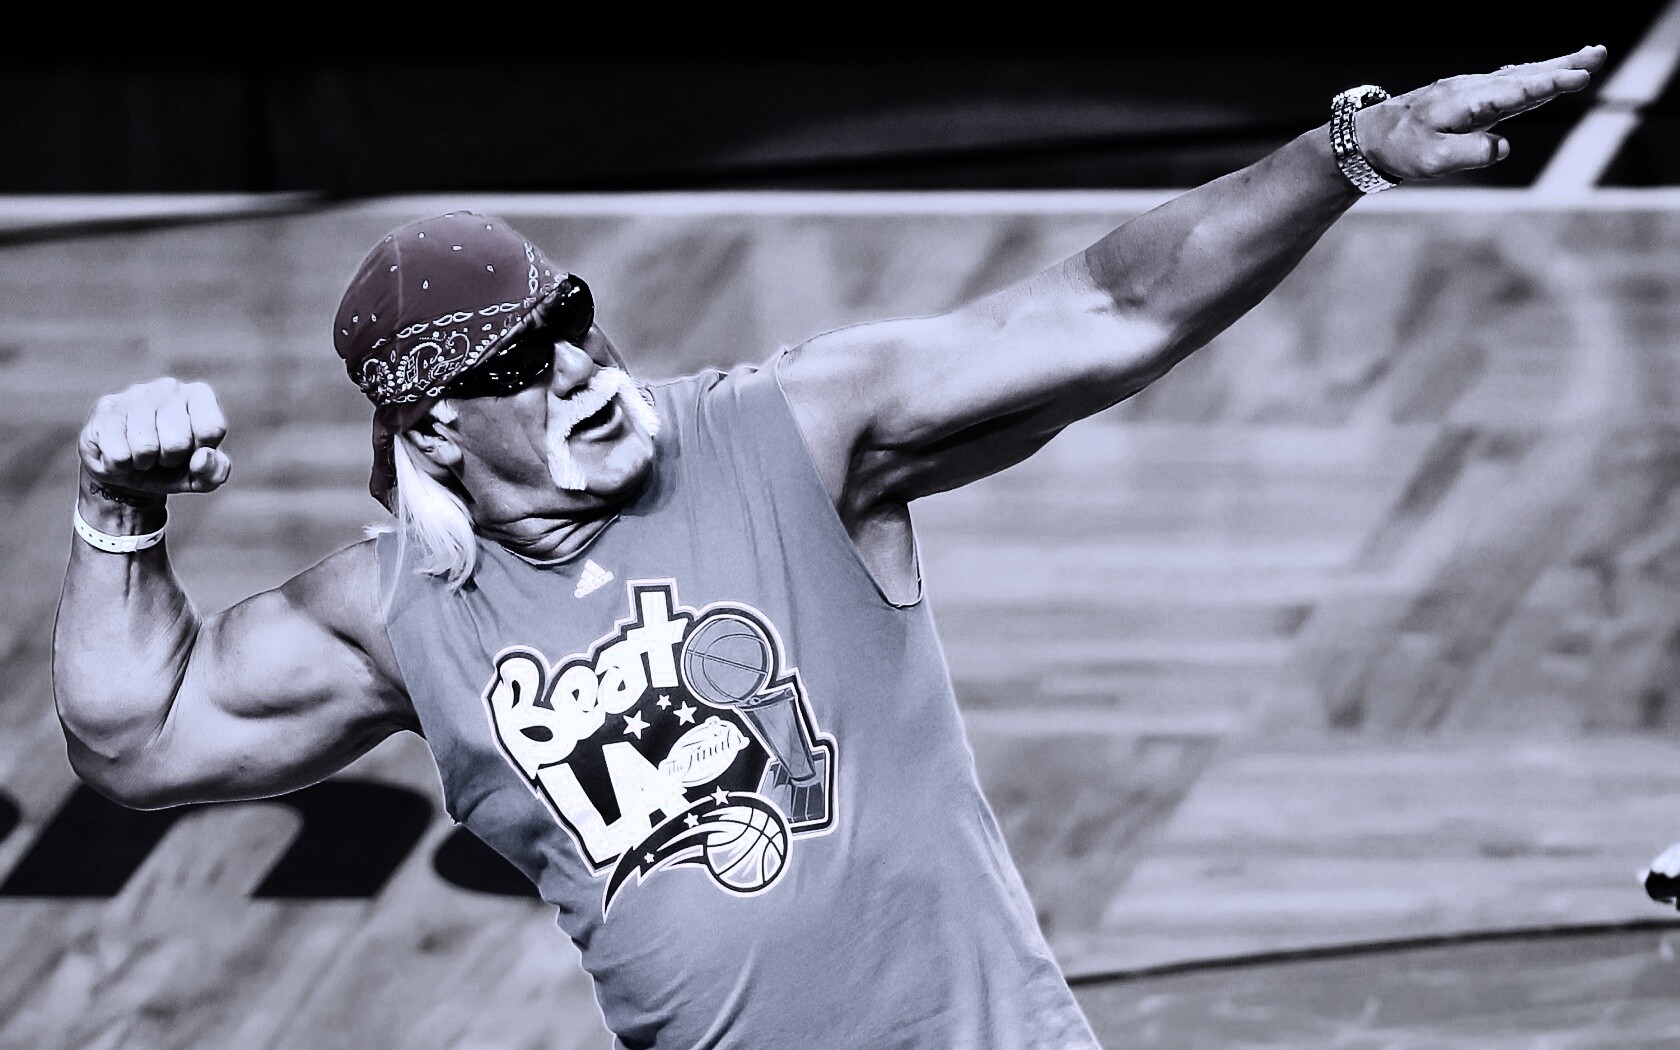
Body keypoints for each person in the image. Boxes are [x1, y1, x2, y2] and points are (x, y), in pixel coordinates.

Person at [52, 45, 1607, 1049]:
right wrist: (117, 515)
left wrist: (1347, 151)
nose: (579, 366)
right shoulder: (404, 612)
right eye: (519, 360)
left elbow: (1110, 305)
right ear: (434, 429)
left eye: (572, 319)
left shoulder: (787, 437)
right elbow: (139, 738)